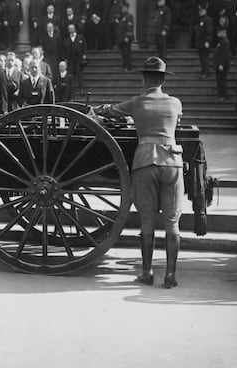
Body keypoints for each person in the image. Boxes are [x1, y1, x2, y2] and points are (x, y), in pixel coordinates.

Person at [91, 56, 183, 288]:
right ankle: (171, 275)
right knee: (172, 221)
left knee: (147, 219)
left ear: (144, 80)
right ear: (162, 80)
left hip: (144, 162)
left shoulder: (138, 102)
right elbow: (176, 124)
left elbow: (111, 112)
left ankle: (147, 272)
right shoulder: (175, 103)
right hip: (173, 162)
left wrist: (94, 109)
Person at [61, 23, 87, 95]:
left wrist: (84, 55)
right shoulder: (66, 39)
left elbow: (84, 46)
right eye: (69, 29)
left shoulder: (80, 37)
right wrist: (64, 58)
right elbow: (64, 50)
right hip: (70, 60)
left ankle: (81, 89)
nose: (71, 30)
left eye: (72, 28)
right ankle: (72, 90)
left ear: (75, 29)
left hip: (78, 59)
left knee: (79, 74)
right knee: (71, 75)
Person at [195, 4, 214, 78]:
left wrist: (207, 41)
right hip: (200, 42)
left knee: (205, 57)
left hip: (204, 42)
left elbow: (209, 31)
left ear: (205, 11)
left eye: (202, 11)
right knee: (201, 58)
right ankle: (203, 71)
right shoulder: (200, 20)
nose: (200, 12)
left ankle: (205, 72)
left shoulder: (207, 20)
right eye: (200, 11)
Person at [214, 28, 231, 100]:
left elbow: (224, 54)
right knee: (220, 80)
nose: (218, 34)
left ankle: (224, 94)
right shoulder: (221, 42)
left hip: (221, 65)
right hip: (218, 64)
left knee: (222, 80)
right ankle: (221, 93)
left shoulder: (225, 42)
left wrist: (222, 64)